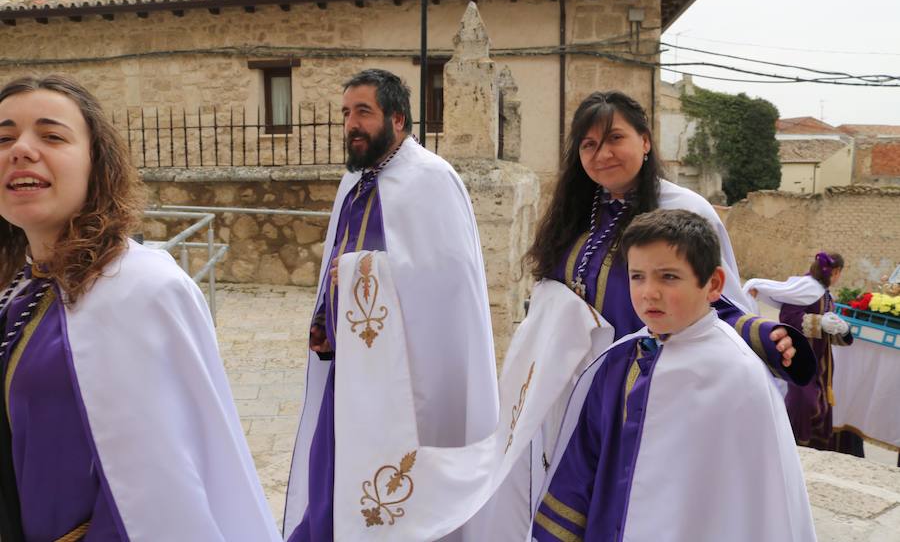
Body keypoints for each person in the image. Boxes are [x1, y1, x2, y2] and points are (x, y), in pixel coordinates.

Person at [488, 91, 815, 540]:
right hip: (567, 385)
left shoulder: (684, 209)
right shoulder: (579, 210)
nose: (601, 154)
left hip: (640, 388)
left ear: (645, 141)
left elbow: (713, 300)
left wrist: (763, 335)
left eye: (614, 138)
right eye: (587, 145)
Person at [0, 75, 280, 541]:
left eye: (51, 136)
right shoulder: (18, 287)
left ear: (97, 164)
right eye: (4, 137)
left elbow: (166, 488)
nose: (21, 150)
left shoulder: (142, 288)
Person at [283, 69, 499, 542]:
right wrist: (326, 319)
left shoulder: (432, 180)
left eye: (364, 112)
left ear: (398, 118)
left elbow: (446, 282)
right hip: (351, 366)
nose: (352, 124)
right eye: (346, 113)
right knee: (336, 474)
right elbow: (337, 258)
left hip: (407, 377)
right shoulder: (354, 181)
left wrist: (366, 273)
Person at [531, 209, 816, 542]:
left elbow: (760, 502)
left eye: (668, 277)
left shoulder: (737, 376)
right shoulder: (620, 360)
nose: (649, 292)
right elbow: (584, 459)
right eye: (637, 276)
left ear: (713, 284)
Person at [744, 252, 854, 451]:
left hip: (820, 363)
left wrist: (843, 330)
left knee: (817, 405)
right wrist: (820, 322)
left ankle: (810, 449)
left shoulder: (825, 294)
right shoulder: (806, 289)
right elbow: (788, 317)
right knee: (803, 403)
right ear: (836, 272)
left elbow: (828, 331)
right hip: (799, 357)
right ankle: (790, 446)